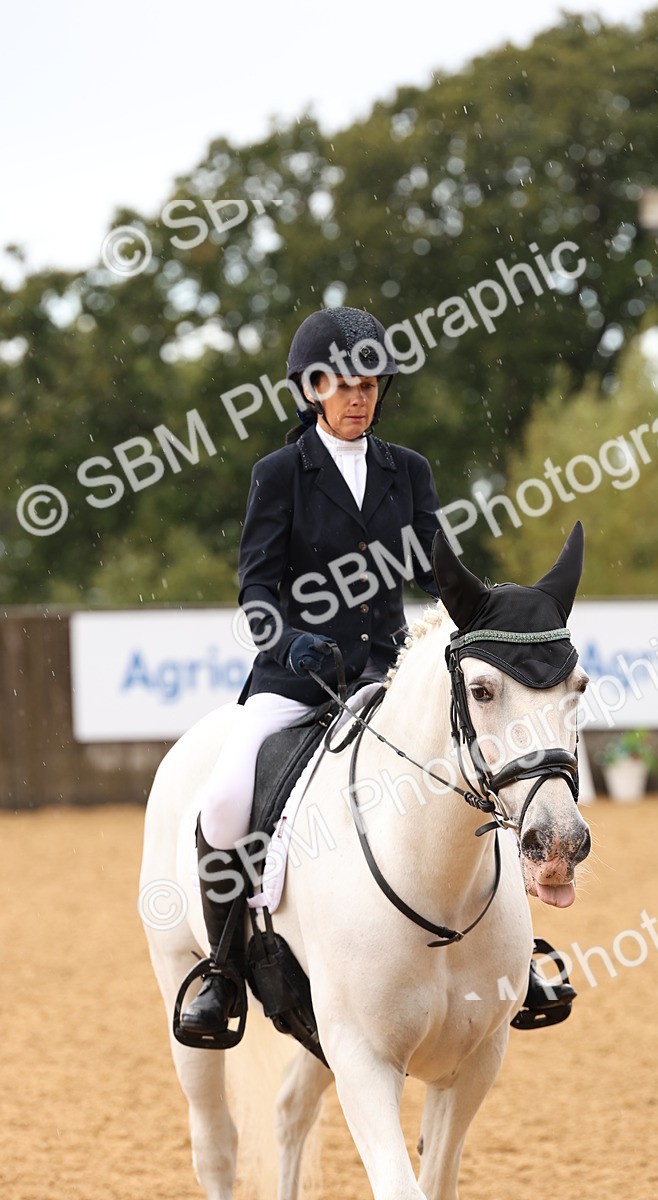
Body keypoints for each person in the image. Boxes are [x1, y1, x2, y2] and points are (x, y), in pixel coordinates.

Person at [179, 305, 442, 1036]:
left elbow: (440, 566)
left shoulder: (408, 471)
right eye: (341, 384)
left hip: (386, 673)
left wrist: (482, 613)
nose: (358, 397)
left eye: (370, 384)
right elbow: (255, 590)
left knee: (475, 767)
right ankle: (224, 973)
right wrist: (289, 641)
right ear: (310, 390)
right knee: (227, 803)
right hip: (296, 678)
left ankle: (517, 946)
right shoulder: (280, 474)